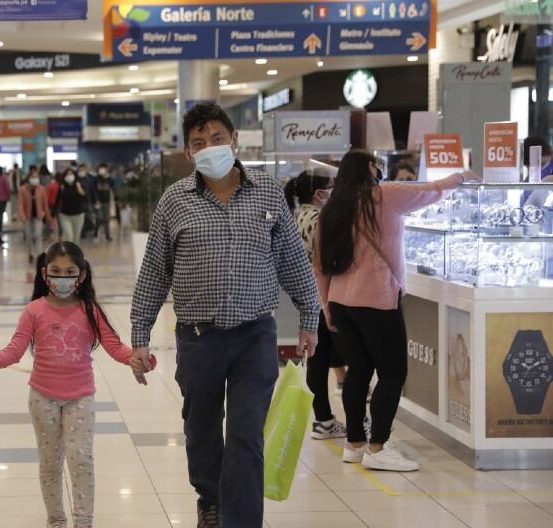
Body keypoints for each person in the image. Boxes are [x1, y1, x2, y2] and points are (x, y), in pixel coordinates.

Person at [131, 103, 319, 528]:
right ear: (187, 152)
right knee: (201, 431)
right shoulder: (174, 202)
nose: (210, 148)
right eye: (199, 143)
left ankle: (242, 520)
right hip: (200, 339)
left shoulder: (268, 192)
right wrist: (139, 336)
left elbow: (293, 259)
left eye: (217, 139)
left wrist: (310, 316)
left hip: (255, 335)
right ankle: (209, 497)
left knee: (246, 434)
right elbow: (153, 272)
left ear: (234, 141)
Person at [313, 150, 474, 472]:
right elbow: (429, 191)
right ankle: (378, 447)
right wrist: (462, 177)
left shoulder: (332, 208)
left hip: (343, 302)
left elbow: (320, 264)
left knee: (358, 371)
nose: (380, 171)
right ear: (369, 170)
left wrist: (326, 305)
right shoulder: (383, 196)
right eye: (377, 166)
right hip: (377, 299)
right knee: (392, 373)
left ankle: (355, 444)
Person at [0, 242, 151, 528]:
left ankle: (83, 521)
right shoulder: (34, 310)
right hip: (42, 398)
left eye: (70, 272)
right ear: (44, 274)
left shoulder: (91, 310)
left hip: (80, 398)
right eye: (56, 272)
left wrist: (137, 359)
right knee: (50, 462)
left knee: (81, 459)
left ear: (82, 275)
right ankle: (56, 519)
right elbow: (15, 348)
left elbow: (114, 346)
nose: (63, 279)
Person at [284, 171, 347, 440]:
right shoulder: (319, 219)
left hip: (309, 296)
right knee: (340, 358)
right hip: (325, 296)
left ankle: (323, 420)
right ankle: (347, 422)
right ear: (319, 194)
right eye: (332, 187)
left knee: (318, 362)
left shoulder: (297, 216)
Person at [18, 169, 50, 263]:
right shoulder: (23, 189)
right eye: (33, 177)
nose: (35, 179)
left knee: (38, 235)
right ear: (29, 178)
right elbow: (20, 204)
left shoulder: (41, 189)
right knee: (28, 236)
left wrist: (47, 215)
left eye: (36, 177)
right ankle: (30, 253)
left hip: (38, 216)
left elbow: (45, 203)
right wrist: (22, 215)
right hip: (27, 217)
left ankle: (39, 255)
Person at [55, 168, 87, 243]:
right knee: (69, 235)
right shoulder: (62, 186)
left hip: (78, 215)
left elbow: (85, 198)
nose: (69, 176)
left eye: (71, 174)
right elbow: (57, 200)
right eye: (67, 174)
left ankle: (75, 254)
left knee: (76, 238)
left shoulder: (79, 185)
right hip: (64, 215)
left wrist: (80, 191)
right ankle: (69, 253)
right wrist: (53, 214)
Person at [93, 163, 115, 241]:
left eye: (104, 168)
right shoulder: (96, 179)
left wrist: (108, 178)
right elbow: (94, 190)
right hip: (98, 202)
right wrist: (96, 200)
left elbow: (113, 187)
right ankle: (95, 234)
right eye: (101, 168)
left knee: (107, 219)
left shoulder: (109, 179)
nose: (102, 170)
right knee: (98, 218)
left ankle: (107, 235)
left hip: (107, 201)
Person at [77, 164, 98, 240]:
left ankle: (88, 230)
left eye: (83, 170)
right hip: (79, 202)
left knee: (90, 218)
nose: (82, 171)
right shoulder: (76, 180)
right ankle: (82, 233)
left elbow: (93, 191)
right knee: (80, 219)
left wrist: (96, 200)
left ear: (86, 171)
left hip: (88, 202)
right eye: (80, 170)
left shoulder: (90, 180)